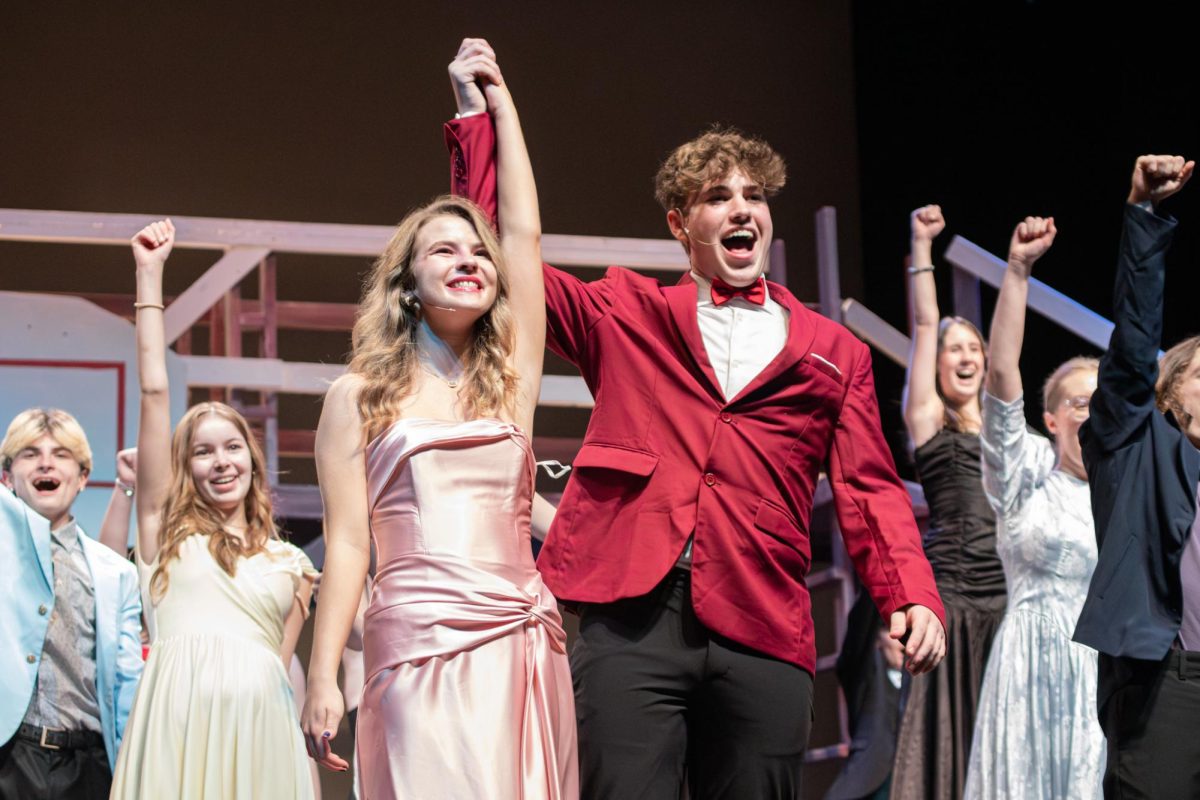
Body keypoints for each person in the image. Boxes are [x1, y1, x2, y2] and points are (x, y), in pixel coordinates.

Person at [445, 46, 947, 799]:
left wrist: (909, 593)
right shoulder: (629, 312)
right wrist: (475, 122)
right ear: (683, 225)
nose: (741, 208)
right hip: (633, 616)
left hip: (763, 616)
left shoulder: (833, 352)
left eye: (754, 196)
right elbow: (501, 256)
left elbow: (870, 488)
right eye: (718, 197)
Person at [301, 39, 577, 800]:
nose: (471, 260)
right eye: (444, 250)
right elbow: (350, 543)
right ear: (408, 283)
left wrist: (499, 103)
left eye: (477, 254)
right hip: (414, 637)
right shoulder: (356, 398)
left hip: (517, 633)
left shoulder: (511, 381)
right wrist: (324, 672)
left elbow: (523, 236)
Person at [109, 219, 318, 799]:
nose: (220, 462)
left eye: (232, 448)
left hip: (259, 731)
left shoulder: (290, 564)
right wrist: (149, 277)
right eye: (203, 452)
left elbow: (280, 669)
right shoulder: (164, 535)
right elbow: (155, 393)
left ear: (252, 460)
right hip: (175, 721)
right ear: (186, 467)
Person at [964, 216, 1104, 799]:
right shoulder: (1026, 471)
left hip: (1096, 677)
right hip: (1027, 664)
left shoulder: (1118, 495)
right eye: (1081, 402)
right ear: (1050, 420)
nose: (1094, 413)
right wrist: (1017, 271)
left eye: (1104, 403)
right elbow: (1000, 373)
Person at [1073, 154, 1200, 798]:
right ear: (1172, 392)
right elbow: (1133, 342)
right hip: (1167, 685)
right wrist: (1143, 215)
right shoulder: (1135, 440)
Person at [890, 206, 1006, 800]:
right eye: (953, 349)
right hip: (954, 595)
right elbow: (925, 321)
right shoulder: (929, 419)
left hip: (1010, 598)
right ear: (937, 365)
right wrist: (921, 246)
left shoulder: (1009, 432)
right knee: (946, 735)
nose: (963, 355)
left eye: (974, 348)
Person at [0, 409, 143, 798]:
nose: (46, 461)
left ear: (82, 478)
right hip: (10, 756)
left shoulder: (115, 573)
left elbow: (128, 680)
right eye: (29, 454)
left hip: (89, 765)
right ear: (7, 476)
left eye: (61, 454)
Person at [824, 590, 906, 800]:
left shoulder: (917, 679)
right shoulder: (865, 673)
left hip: (912, 777)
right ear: (877, 638)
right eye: (895, 634)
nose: (904, 644)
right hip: (873, 778)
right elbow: (862, 622)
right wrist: (883, 573)